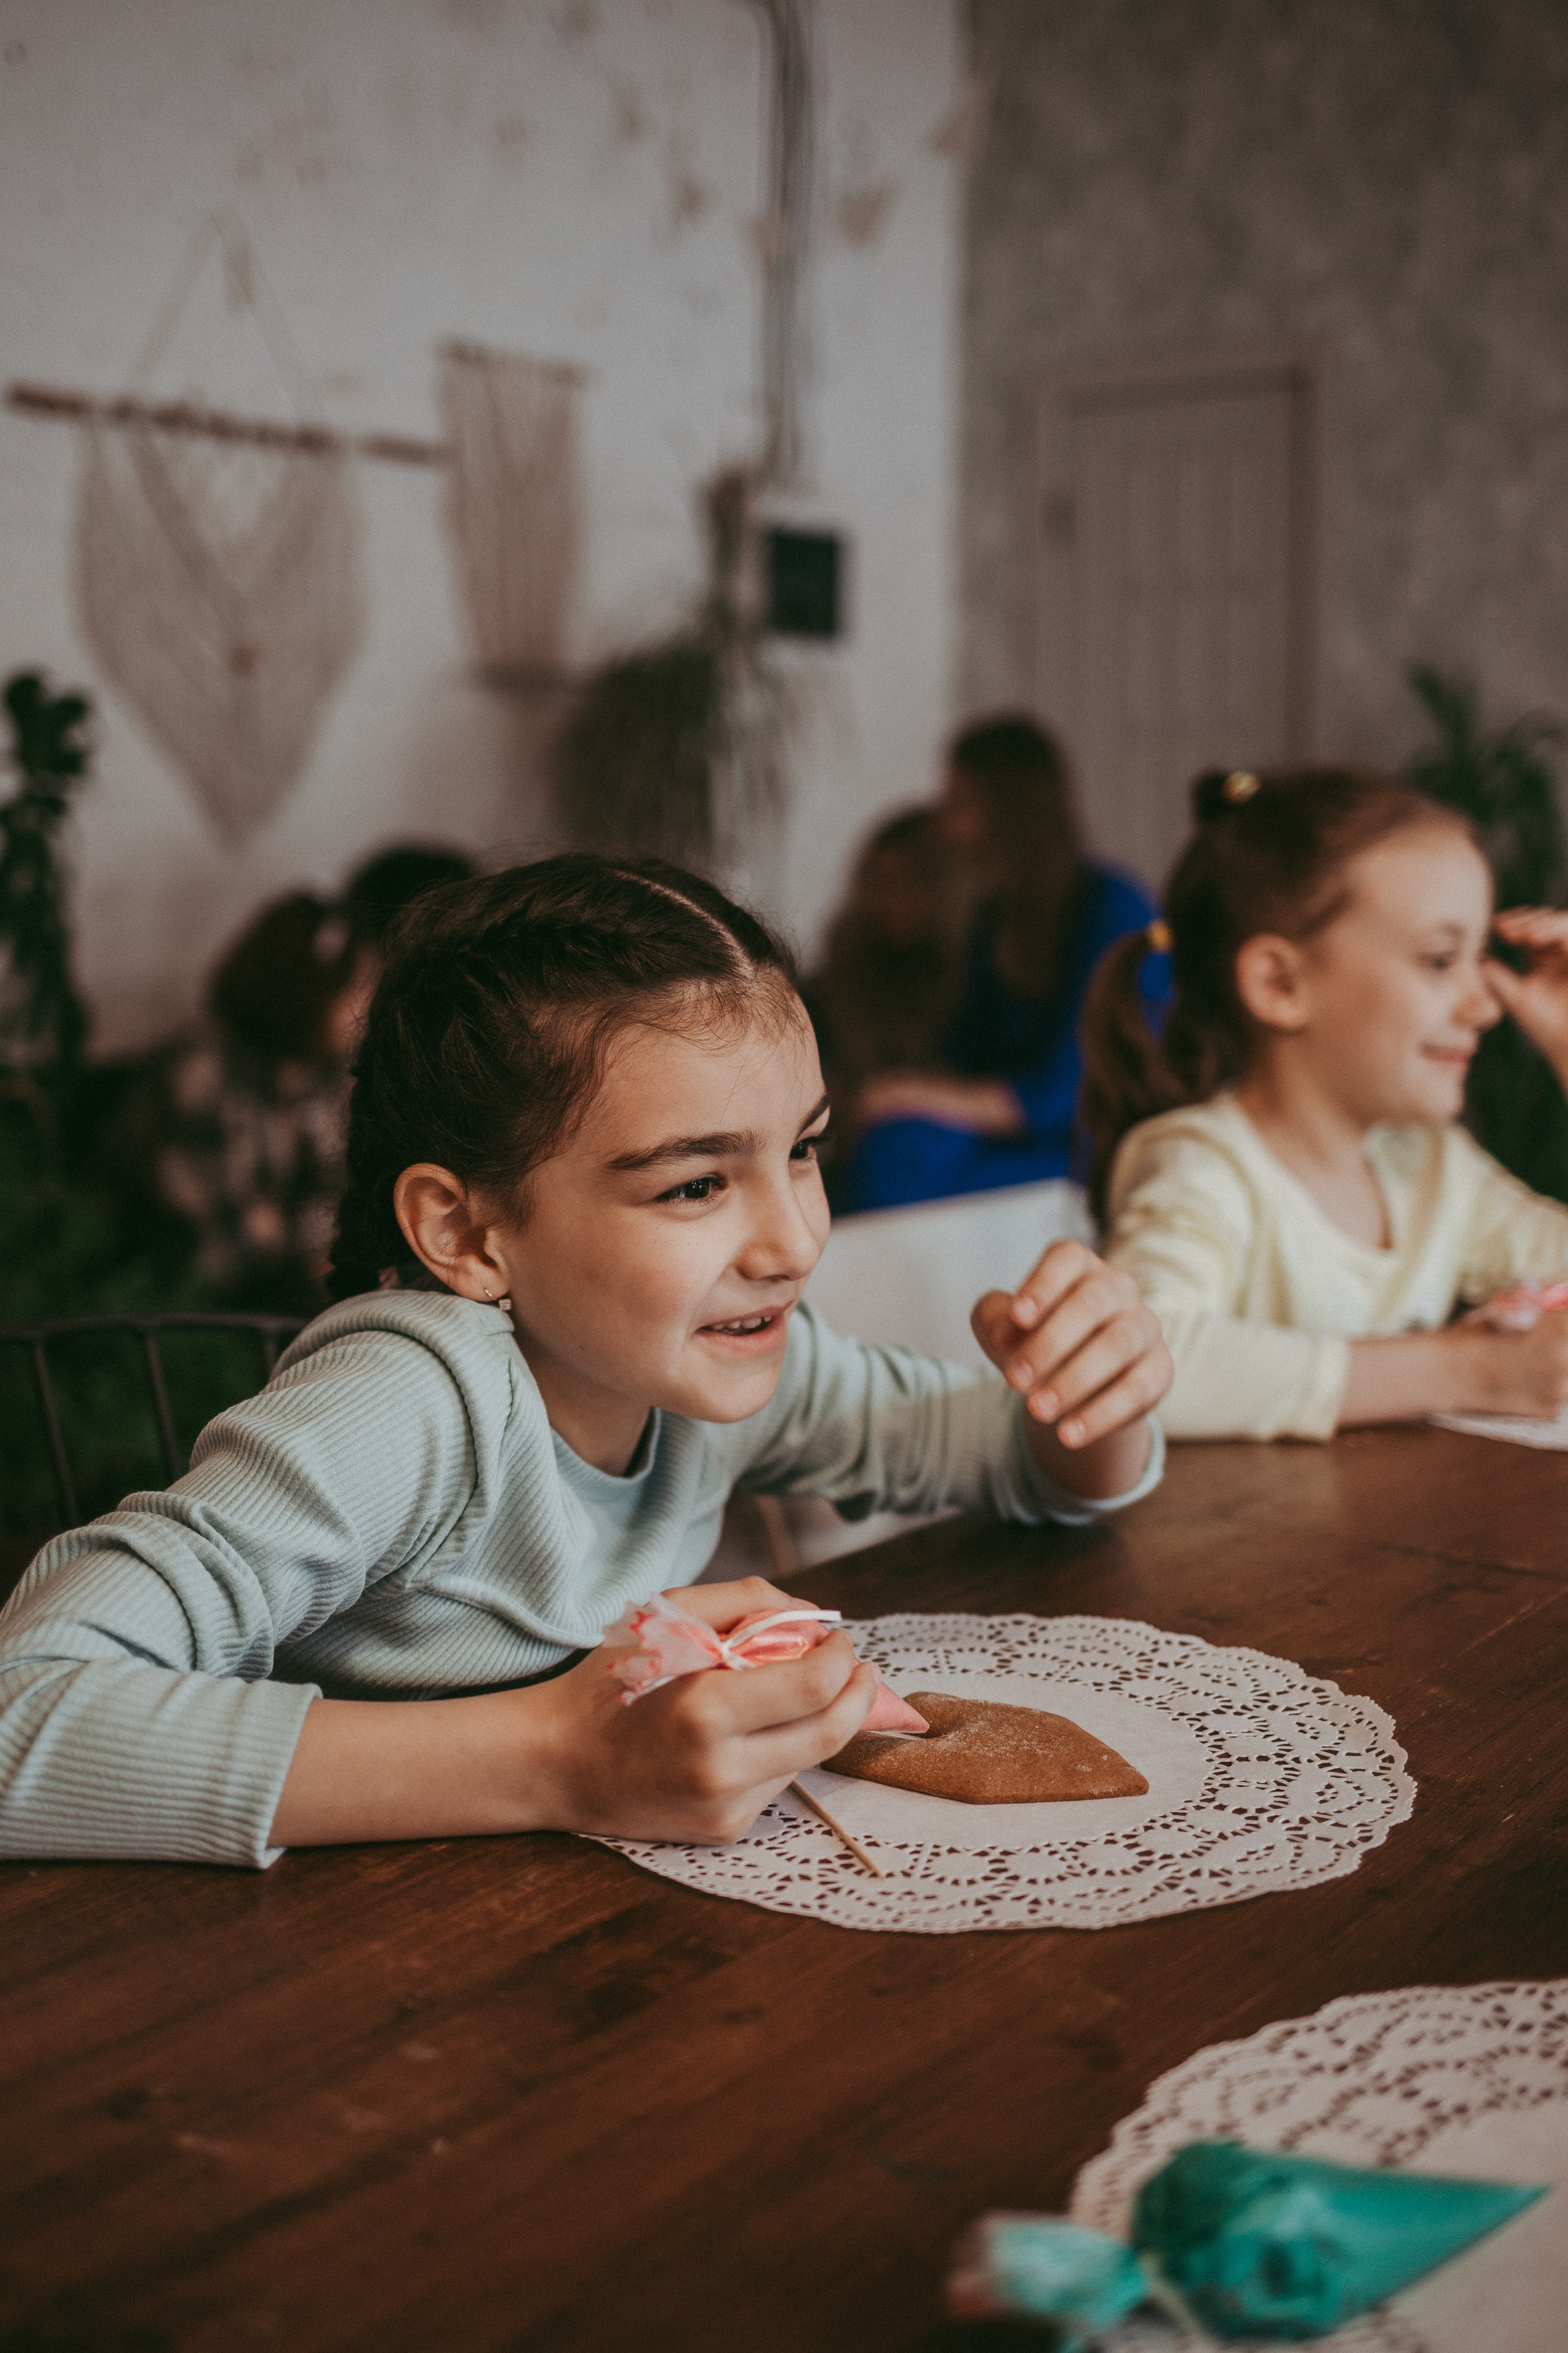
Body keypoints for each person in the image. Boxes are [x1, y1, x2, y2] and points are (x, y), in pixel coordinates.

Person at [0, 856, 1170, 1865]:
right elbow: (22, 1716)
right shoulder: (407, 1406)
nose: (797, 1241)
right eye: (696, 1184)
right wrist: (565, 1759)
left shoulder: (714, 1363)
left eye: (804, 1149)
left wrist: (1091, 1399)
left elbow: (1017, 1464)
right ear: (465, 1234)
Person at [1082, 766, 1568, 1441]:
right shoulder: (1205, 1166)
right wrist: (1461, 1369)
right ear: (1279, 984)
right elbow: (1135, 1367)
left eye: (1480, 956)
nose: (1485, 1004)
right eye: (1437, 960)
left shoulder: (1431, 1167)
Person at [837, 716, 1163, 1211]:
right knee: (895, 1143)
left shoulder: (1111, 907)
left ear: (1013, 811)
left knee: (897, 1165)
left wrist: (906, 1092)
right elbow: (966, 1056)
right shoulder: (995, 918)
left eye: (961, 803)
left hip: (1086, 1144)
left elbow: (1064, 1094)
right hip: (1011, 1135)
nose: (945, 826)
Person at [150, 891, 375, 1310]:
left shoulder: (327, 1070)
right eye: (355, 991)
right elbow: (221, 1237)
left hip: (296, 1282)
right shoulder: (203, 1072)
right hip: (207, 1304)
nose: (364, 1007)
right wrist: (311, 1243)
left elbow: (340, 1186)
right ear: (309, 991)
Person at [801, 806, 961, 1185]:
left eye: (909, 882)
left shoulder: (974, 974)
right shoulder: (837, 976)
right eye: (879, 883)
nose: (890, 899)